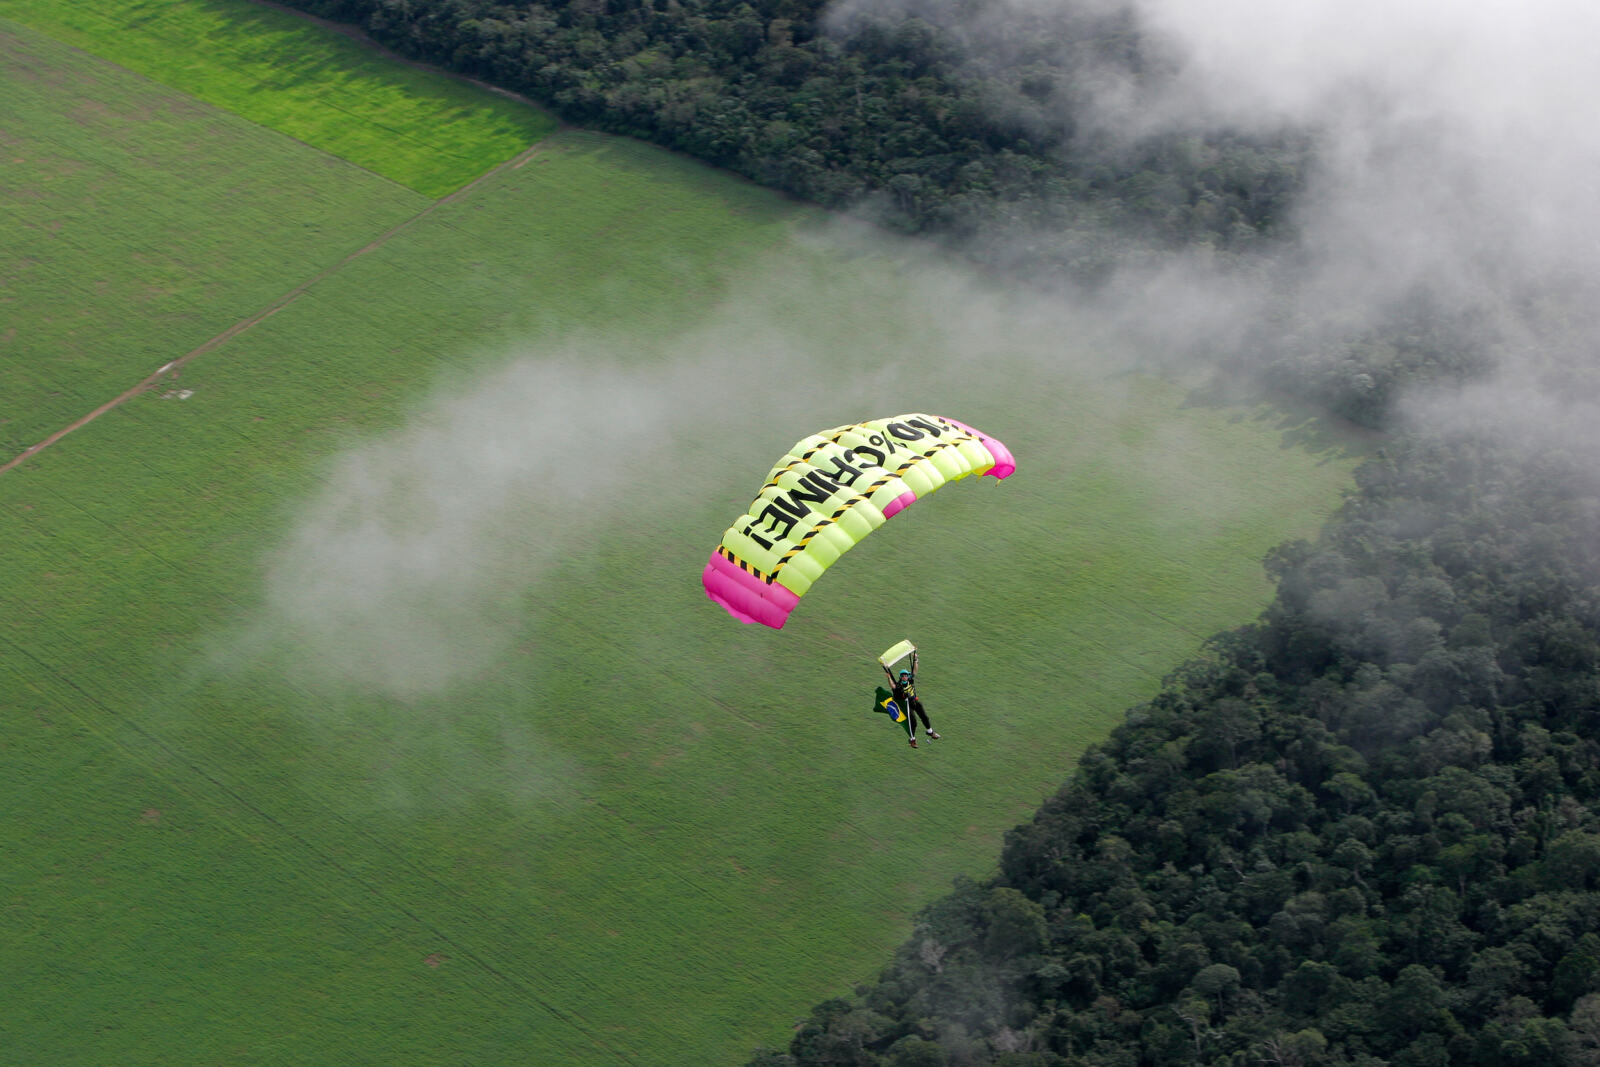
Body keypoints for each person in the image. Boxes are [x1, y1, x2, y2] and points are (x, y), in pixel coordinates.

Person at [882, 651, 940, 747]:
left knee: (924, 716)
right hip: (907, 705)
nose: (905, 677)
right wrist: (889, 678)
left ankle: (930, 732)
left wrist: (915, 659)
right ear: (901, 677)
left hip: (914, 701)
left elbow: (915, 671)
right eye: (903, 676)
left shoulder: (910, 680)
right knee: (913, 721)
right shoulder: (898, 685)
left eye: (906, 675)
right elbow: (892, 686)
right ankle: (912, 740)